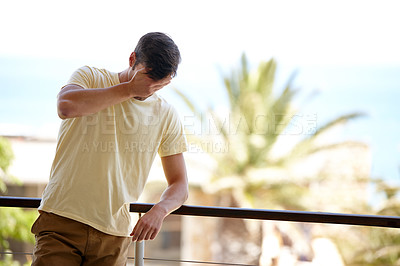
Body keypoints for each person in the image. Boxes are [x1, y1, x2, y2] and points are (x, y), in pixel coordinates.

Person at [31, 32, 189, 265]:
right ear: (132, 59)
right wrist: (129, 90)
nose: (150, 89)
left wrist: (160, 210)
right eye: (147, 79)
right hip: (62, 222)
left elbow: (180, 184)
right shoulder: (91, 77)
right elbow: (66, 106)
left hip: (114, 236)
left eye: (159, 84)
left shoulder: (166, 114)